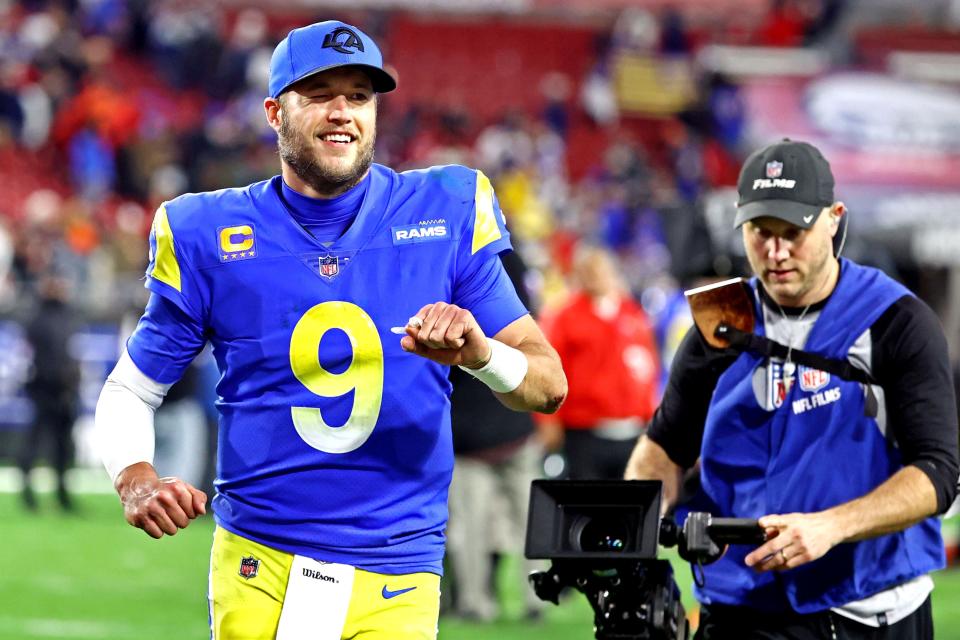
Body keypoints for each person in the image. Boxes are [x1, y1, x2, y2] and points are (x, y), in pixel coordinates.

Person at [94, 20, 566, 640]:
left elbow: (547, 385)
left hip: (398, 568)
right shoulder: (207, 230)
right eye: (319, 94)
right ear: (274, 111)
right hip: (261, 559)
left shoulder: (446, 208)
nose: (343, 112)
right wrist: (135, 476)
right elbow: (132, 390)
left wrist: (482, 355)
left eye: (360, 96)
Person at [625, 139, 958, 639]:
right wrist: (633, 533)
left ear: (833, 218)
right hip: (740, 606)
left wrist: (831, 525)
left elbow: (937, 473)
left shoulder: (895, 320)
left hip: (869, 610)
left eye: (793, 232)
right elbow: (664, 447)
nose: (776, 253)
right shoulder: (720, 319)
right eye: (760, 232)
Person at [445, 250, 545, 622]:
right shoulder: (509, 263)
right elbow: (530, 335)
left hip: (472, 429)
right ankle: (535, 599)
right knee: (527, 520)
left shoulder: (445, 263)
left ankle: (475, 603)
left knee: (471, 524)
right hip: (508, 422)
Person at [538, 245, 659, 479]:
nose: (595, 276)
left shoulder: (632, 314)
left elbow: (646, 366)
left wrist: (650, 415)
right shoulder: (563, 316)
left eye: (600, 270)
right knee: (589, 508)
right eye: (588, 270)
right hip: (584, 431)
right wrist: (549, 422)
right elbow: (549, 370)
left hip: (630, 429)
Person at [19, 273, 79, 511]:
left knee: (63, 447)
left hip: (64, 392)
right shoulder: (37, 318)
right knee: (36, 445)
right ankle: (28, 495)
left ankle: (63, 496)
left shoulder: (68, 317)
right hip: (44, 390)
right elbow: (31, 357)